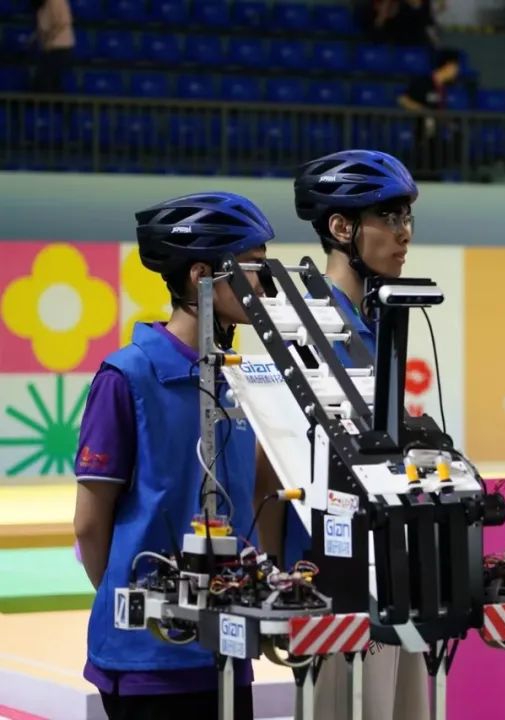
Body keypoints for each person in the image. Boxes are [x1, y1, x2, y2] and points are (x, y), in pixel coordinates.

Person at [72, 192, 275, 720]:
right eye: (251, 267)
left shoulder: (238, 379)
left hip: (227, 649)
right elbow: (90, 525)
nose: (263, 284)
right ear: (200, 275)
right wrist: (139, 609)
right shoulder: (127, 377)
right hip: (148, 664)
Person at [263, 149, 428, 720]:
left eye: (407, 217)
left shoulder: (377, 319)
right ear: (341, 227)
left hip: (392, 567)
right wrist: (280, 575)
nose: (405, 233)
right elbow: (270, 459)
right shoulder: (304, 326)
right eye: (390, 216)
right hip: (332, 579)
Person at [398, 49, 462, 177]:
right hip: (422, 136)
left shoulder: (444, 88)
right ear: (448, 66)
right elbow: (403, 100)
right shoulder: (424, 82)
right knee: (423, 170)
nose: (457, 71)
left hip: (437, 136)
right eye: (455, 68)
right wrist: (426, 112)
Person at [30, 0, 75, 93]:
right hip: (48, 48)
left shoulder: (56, 1)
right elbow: (42, 27)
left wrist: (49, 39)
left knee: (44, 80)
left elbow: (63, 22)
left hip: (60, 47)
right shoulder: (40, 5)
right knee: (47, 81)